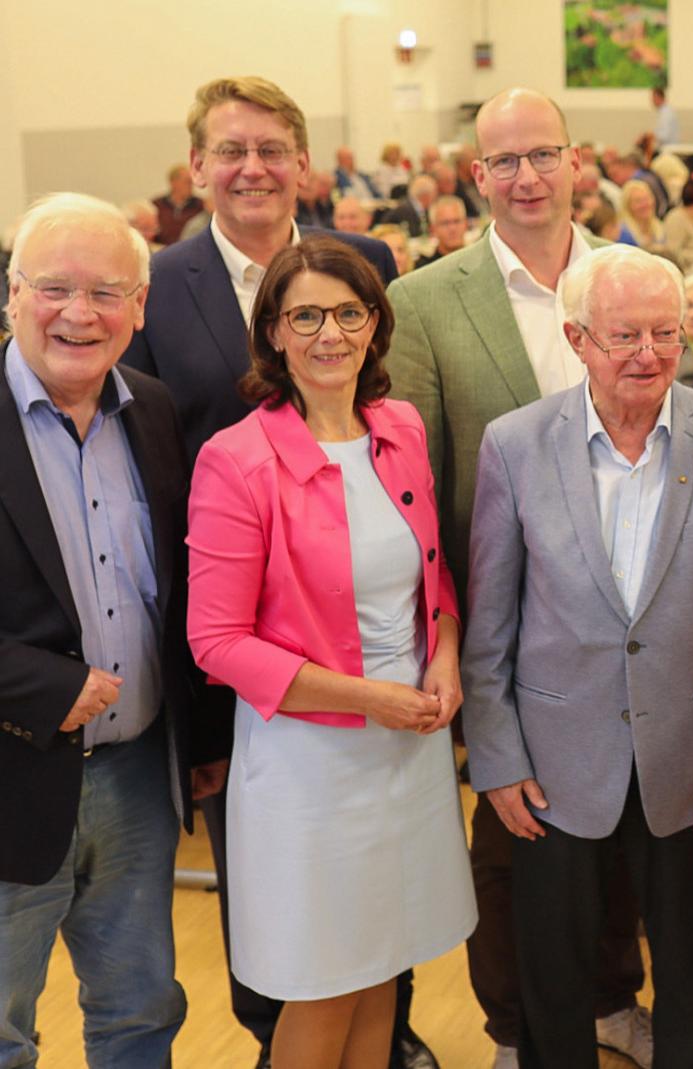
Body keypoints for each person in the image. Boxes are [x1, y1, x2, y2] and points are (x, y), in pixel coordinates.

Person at [114, 74, 415, 1069]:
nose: (253, 168)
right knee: (276, 917)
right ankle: (272, 1040)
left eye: (271, 149)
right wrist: (199, 716)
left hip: (368, 651)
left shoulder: (363, 262)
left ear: (304, 164)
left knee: (382, 910)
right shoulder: (159, 283)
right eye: (231, 150)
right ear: (197, 166)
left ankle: (386, 1040)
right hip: (237, 653)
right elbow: (153, 485)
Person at [384, 87, 649, 1069]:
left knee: (622, 820)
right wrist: (449, 635)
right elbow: (416, 484)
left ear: (577, 161)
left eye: (544, 154)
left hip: (630, 615)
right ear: (477, 174)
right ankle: (512, 1026)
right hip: (505, 622)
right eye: (505, 161)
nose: (527, 176)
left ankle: (612, 999)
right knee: (509, 827)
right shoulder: (426, 301)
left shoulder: (634, 278)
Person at [463, 244, 693, 1069]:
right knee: (554, 975)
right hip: (553, 762)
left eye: (666, 333)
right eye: (624, 335)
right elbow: (490, 622)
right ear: (577, 338)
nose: (648, 354)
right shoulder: (516, 444)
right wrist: (497, 758)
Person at [186, 236, 475, 1069]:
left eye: (349, 313)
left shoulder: (399, 427)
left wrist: (444, 656)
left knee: (383, 962)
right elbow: (216, 642)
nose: (330, 334)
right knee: (324, 983)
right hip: (312, 763)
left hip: (407, 745)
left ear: (376, 324)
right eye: (306, 315)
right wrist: (368, 697)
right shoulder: (237, 459)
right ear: (273, 332)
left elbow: (432, 571)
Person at [0, 192, 226, 1068]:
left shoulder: (153, 410)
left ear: (140, 306)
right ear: (13, 293)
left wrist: (199, 736)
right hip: (12, 776)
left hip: (138, 774)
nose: (80, 313)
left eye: (106, 292)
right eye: (55, 288)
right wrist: (47, 687)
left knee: (140, 1014)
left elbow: (174, 592)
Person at [154, 163, 205, 245]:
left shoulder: (201, 205)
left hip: (190, 249)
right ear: (173, 183)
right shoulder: (157, 205)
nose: (191, 186)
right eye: (187, 182)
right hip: (161, 249)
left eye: (192, 182)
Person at [414, 195, 470, 268]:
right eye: (445, 223)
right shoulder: (425, 267)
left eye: (457, 221)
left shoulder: (478, 259)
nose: (452, 228)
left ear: (466, 224)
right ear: (433, 229)